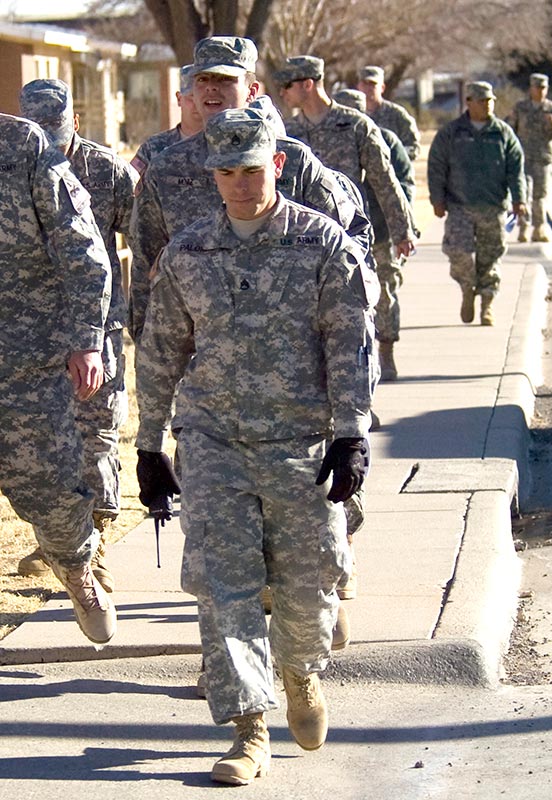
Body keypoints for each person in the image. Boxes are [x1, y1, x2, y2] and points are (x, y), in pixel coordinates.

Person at [135, 106, 379, 785]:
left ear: (276, 165)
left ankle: (300, 673)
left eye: (252, 170)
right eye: (226, 173)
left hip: (301, 444)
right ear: (212, 176)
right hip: (214, 442)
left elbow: (350, 346)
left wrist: (350, 432)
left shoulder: (322, 244)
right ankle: (249, 728)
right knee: (225, 590)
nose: (240, 185)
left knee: (308, 588)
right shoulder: (188, 252)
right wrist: (150, 445)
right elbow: (160, 350)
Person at [128, 36, 372, 344]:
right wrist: (145, 336)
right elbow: (145, 260)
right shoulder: (167, 168)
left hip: (290, 351)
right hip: (204, 351)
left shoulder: (293, 160)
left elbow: (352, 236)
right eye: (203, 79)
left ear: (252, 90)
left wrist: (340, 316)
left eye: (225, 80)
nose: (211, 88)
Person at [17, 78, 139, 590]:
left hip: (97, 328)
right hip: (29, 333)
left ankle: (98, 539)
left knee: (96, 434)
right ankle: (58, 542)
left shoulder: (106, 170)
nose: (49, 146)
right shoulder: (13, 166)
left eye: (57, 135)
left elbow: (145, 236)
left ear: (76, 125)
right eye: (38, 134)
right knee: (40, 440)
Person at [0, 111, 115, 644]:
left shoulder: (21, 145)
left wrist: (87, 337)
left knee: (49, 489)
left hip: (26, 360)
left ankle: (76, 570)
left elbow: (82, 248)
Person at [277, 56, 416, 381]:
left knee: (354, 320)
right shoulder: (289, 131)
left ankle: (369, 388)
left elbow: (385, 180)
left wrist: (401, 229)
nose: (282, 93)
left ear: (307, 84)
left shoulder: (355, 125)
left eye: (287, 86)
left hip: (348, 239)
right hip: (300, 243)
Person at [428, 81, 526, 326]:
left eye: (490, 100)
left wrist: (519, 199)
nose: (487, 104)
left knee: (490, 257)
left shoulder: (502, 133)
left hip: (493, 207)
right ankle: (466, 289)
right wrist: (437, 199)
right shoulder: (451, 133)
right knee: (458, 252)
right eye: (482, 100)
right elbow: (437, 167)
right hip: (460, 206)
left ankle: (487, 303)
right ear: (468, 102)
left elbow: (516, 169)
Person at [335, 87, 416, 381]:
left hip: (380, 232)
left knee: (384, 293)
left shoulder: (384, 141)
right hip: (343, 234)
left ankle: (387, 350)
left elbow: (402, 185)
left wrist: (402, 228)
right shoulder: (324, 142)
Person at [507, 72, 552, 242]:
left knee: (540, 195)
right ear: (531, 88)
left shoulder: (550, 108)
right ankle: (524, 229)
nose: (541, 91)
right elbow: (509, 128)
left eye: (543, 88)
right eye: (538, 87)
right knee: (524, 194)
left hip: (543, 158)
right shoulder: (521, 108)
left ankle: (539, 229)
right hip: (523, 158)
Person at [130, 64, 204, 179]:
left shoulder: (223, 146)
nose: (198, 103)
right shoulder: (154, 148)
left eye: (203, 97)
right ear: (179, 99)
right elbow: (130, 183)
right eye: (192, 97)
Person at [357, 65, 421, 161]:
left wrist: (393, 156)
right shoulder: (353, 115)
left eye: (372, 84)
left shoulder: (397, 115)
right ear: (358, 86)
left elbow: (413, 148)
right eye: (364, 83)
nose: (368, 88)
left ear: (382, 88)